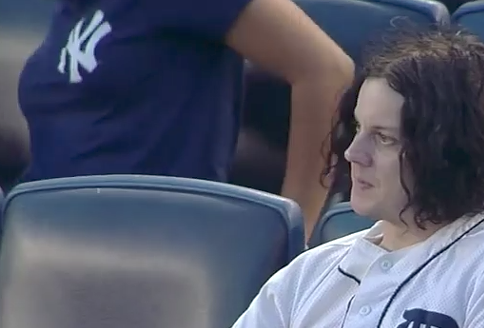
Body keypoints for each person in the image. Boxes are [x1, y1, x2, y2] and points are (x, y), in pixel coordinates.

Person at [135, 27, 484, 328]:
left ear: (449, 150)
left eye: (383, 138)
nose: (353, 154)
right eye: (358, 129)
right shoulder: (312, 272)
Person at [16, 0, 354, 240]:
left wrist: (295, 232)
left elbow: (326, 71)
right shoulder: (71, 10)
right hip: (46, 240)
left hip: (153, 248)